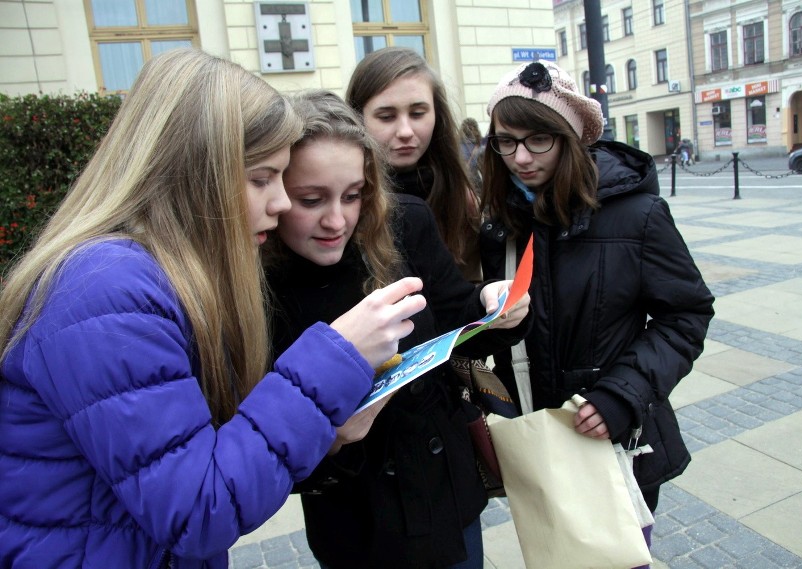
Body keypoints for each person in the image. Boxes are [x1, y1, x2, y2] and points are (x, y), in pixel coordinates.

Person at [0, 49, 427, 569]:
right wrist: (334, 361)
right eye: (262, 178)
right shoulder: (106, 291)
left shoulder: (142, 277)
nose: (280, 203)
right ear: (196, 172)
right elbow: (198, 510)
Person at [263, 90, 531, 569]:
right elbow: (257, 447)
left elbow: (460, 322)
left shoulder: (405, 221)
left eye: (353, 195)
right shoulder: (257, 280)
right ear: (275, 193)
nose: (336, 220)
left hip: (443, 494)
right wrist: (330, 433)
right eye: (310, 199)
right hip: (358, 523)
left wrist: (497, 306)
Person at [478, 60, 715, 563]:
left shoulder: (637, 214)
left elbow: (686, 316)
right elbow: (488, 342)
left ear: (569, 137)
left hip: (615, 437)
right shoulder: (498, 223)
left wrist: (622, 394)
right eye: (505, 140)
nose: (520, 157)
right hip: (535, 443)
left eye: (537, 139)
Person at [346, 47, 482, 282]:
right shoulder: (343, 203)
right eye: (386, 117)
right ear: (357, 118)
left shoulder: (460, 200)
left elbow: (466, 292)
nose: (405, 131)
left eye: (418, 113)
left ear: (437, 115)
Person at [460, 117, 485, 193]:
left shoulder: (457, 144)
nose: (470, 130)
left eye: (471, 127)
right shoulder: (480, 144)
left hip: (466, 179)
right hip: (471, 178)